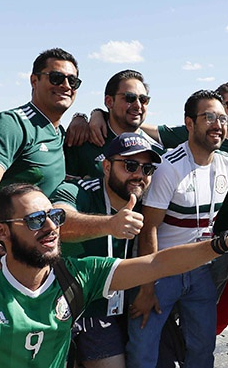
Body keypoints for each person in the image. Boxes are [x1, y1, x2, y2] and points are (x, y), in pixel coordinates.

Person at [0, 182, 228, 368]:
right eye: (33, 221)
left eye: (55, 216)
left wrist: (225, 243)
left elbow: (157, 265)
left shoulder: (76, 276)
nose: (49, 227)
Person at [128, 90, 228, 368]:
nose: (218, 124)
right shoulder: (168, 167)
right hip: (161, 269)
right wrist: (146, 288)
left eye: (222, 117)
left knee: (202, 349)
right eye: (209, 117)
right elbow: (149, 230)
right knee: (143, 349)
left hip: (200, 270)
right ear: (189, 123)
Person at [0, 48, 80, 272]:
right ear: (34, 80)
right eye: (56, 77)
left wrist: (87, 116)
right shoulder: (13, 123)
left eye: (73, 81)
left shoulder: (60, 134)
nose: (66, 85)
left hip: (31, 260)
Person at [51, 133, 161, 368]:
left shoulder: (147, 202)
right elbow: (56, 222)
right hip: (58, 306)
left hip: (105, 311)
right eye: (130, 165)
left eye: (147, 169)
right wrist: (109, 225)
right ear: (107, 166)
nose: (139, 175)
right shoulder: (80, 189)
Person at [64, 70, 164, 179]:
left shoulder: (158, 154)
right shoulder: (81, 141)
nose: (138, 105)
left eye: (143, 99)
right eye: (130, 98)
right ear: (109, 101)